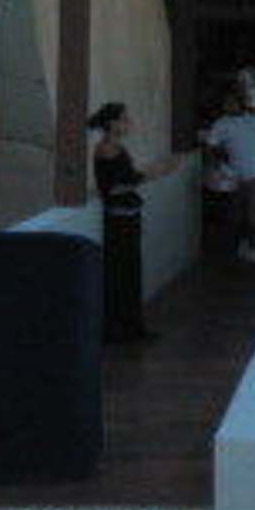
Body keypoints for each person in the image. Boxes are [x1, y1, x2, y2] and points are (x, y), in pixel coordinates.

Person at [90, 103, 176, 343]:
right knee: (122, 272)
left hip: (126, 216)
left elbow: (127, 180)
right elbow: (117, 185)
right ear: (112, 123)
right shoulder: (106, 149)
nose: (129, 123)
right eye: (125, 119)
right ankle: (121, 329)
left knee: (129, 272)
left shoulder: (116, 148)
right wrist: (157, 172)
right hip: (119, 221)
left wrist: (152, 172)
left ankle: (129, 327)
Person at [205, 90, 255, 264]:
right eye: (226, 102)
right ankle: (237, 246)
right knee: (235, 214)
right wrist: (217, 166)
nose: (229, 105)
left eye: (232, 102)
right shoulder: (221, 124)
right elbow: (211, 147)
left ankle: (252, 247)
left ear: (241, 102)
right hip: (234, 176)